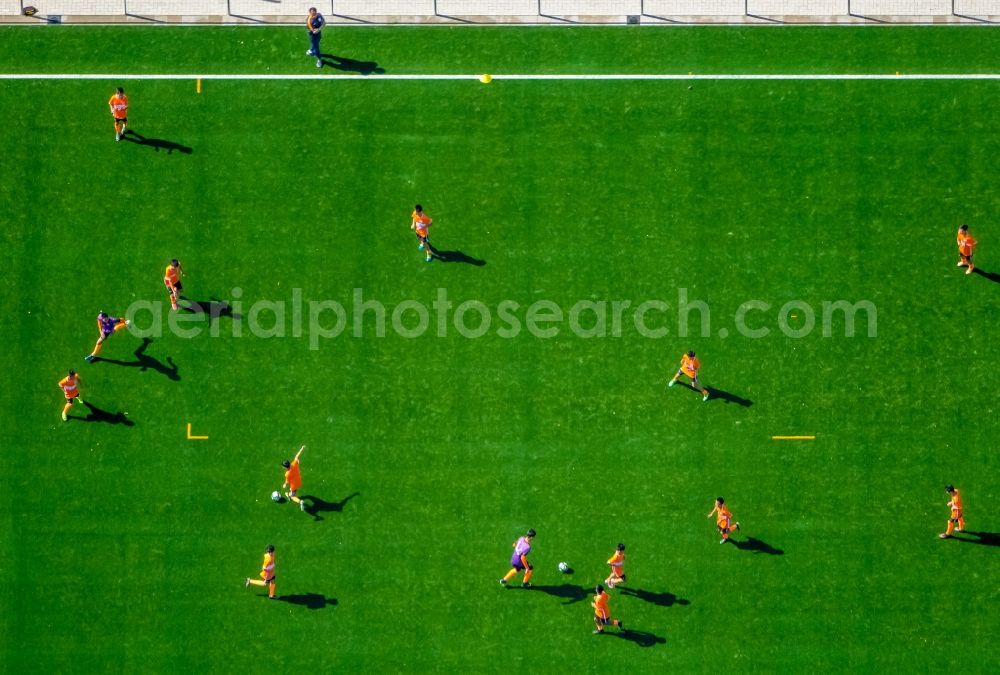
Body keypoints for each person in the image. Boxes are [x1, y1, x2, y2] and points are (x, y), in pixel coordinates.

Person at [282, 446, 307, 511]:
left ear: (285, 467)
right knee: (290, 492)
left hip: (294, 485)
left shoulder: (287, 474)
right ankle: (289, 494)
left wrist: (284, 485)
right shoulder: (294, 464)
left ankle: (300, 502)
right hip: (299, 481)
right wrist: (302, 448)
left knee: (292, 496)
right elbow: (297, 456)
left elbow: (287, 482)